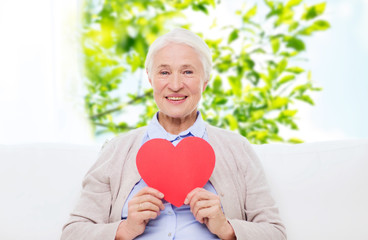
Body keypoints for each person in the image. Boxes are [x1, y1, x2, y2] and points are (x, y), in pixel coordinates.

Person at [61, 28, 286, 240]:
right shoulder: (116, 151)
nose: (175, 85)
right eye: (164, 72)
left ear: (205, 81)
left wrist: (227, 228)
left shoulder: (238, 149)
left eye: (187, 72)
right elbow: (73, 233)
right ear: (150, 79)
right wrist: (125, 229)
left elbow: (276, 233)